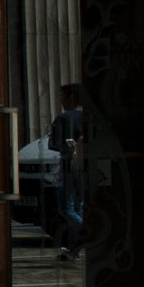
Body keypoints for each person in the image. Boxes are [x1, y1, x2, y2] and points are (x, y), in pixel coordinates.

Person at [48, 81, 86, 263]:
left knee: (66, 208)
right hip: (85, 167)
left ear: (70, 97)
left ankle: (87, 231)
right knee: (79, 206)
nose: (61, 99)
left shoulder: (64, 118)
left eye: (62, 96)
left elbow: (53, 144)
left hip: (68, 166)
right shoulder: (87, 117)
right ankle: (73, 249)